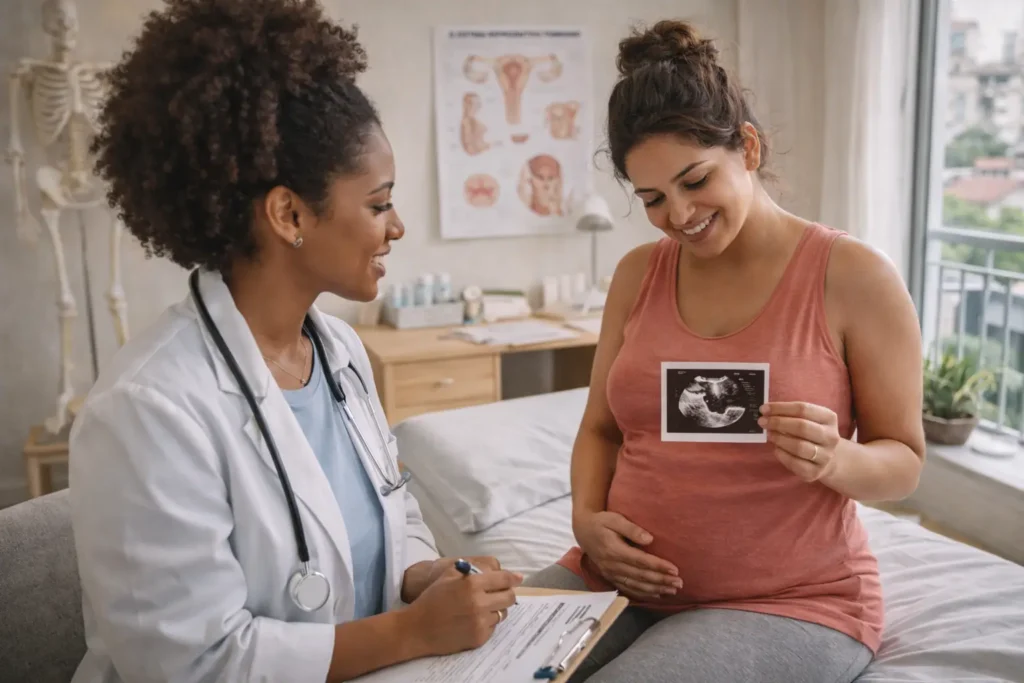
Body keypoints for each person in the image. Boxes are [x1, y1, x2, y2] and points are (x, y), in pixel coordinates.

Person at [67, 2, 522, 681]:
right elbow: (195, 664)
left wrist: (423, 576)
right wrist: (411, 631)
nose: (396, 227)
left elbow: (388, 513)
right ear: (288, 213)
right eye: (377, 203)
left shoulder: (338, 352)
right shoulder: (147, 410)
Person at [525, 19, 926, 683]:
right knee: (472, 663)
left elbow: (905, 461)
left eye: (695, 180)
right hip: (615, 579)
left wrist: (838, 456)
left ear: (747, 146)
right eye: (652, 198)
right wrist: (587, 519)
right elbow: (599, 428)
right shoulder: (637, 274)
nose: (678, 215)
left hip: (787, 602)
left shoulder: (855, 277)